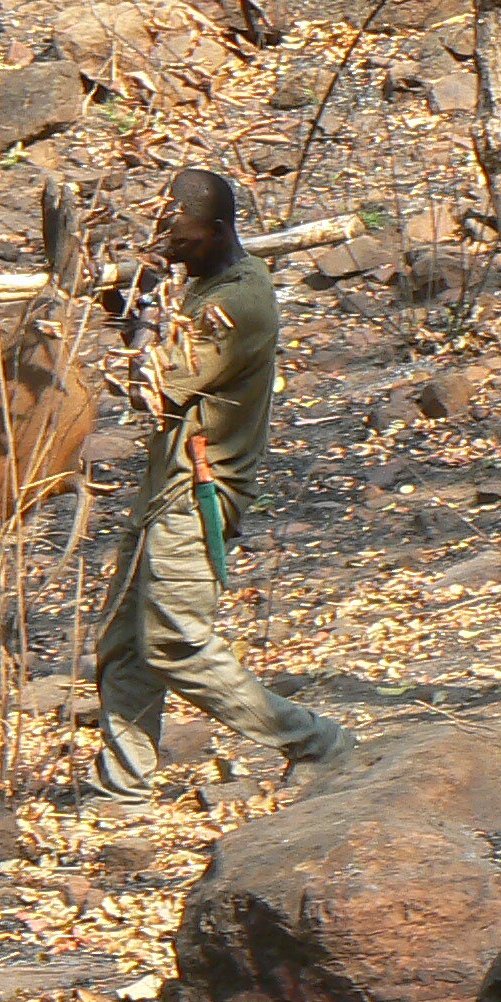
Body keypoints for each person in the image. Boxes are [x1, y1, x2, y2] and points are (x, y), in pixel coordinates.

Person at [84, 169, 351, 812]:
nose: (166, 237)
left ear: (218, 230)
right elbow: (144, 347)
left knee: (176, 642)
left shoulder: (243, 301)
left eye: (178, 228)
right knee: (125, 643)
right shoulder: (204, 286)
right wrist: (113, 297)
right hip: (160, 493)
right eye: (161, 225)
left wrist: (144, 304)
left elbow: (153, 381)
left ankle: (317, 741)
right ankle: (121, 787)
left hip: (194, 494)